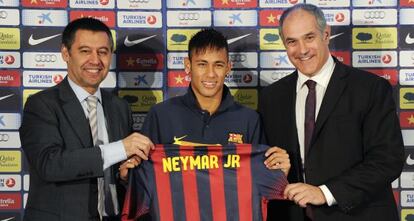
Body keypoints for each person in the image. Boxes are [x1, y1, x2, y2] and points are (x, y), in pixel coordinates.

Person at [258, 3, 404, 221]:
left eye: (309, 37)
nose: (302, 50)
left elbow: (387, 160)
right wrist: (278, 170)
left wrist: (325, 193)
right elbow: (263, 165)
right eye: (292, 42)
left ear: (326, 35)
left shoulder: (370, 89)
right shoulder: (271, 98)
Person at [20, 17, 153, 221]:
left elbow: (118, 172)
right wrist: (121, 148)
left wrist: (126, 175)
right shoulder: (41, 104)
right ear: (66, 53)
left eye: (102, 52)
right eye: (85, 51)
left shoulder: (119, 107)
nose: (95, 60)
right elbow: (50, 164)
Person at [139, 28, 289, 174]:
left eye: (218, 65)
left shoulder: (249, 120)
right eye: (202, 64)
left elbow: (261, 179)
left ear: (228, 68)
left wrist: (279, 173)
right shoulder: (160, 115)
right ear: (187, 66)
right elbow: (144, 176)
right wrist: (127, 177)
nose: (210, 74)